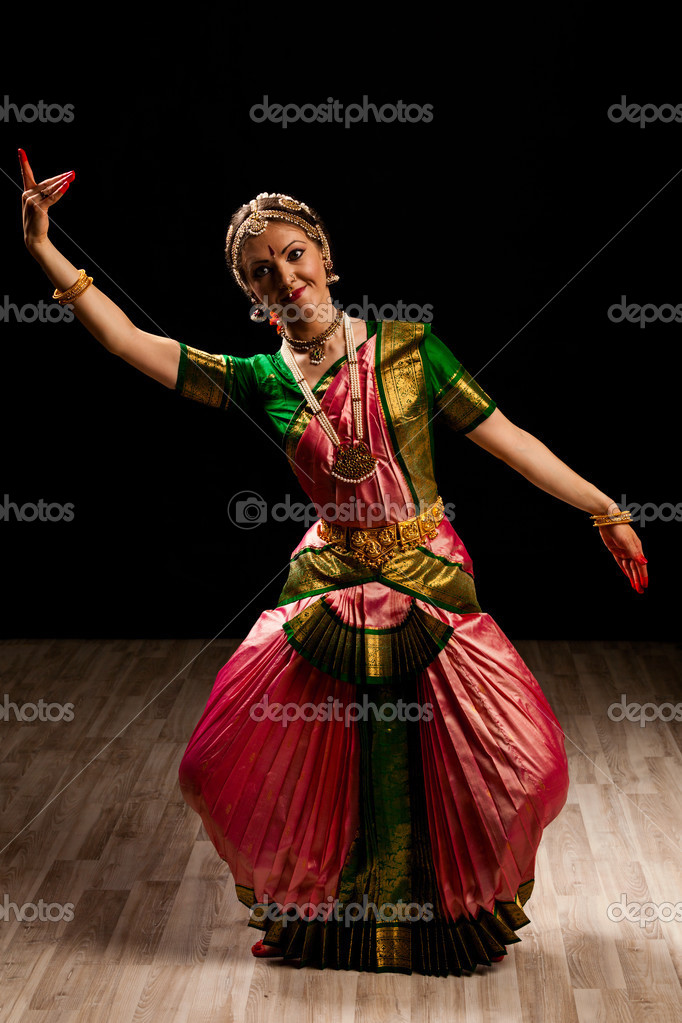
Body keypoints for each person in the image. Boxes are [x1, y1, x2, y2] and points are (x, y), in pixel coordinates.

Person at [19, 154, 648, 977]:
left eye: (293, 255)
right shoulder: (261, 380)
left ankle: (449, 915)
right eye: (261, 271)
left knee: (523, 766)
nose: (284, 277)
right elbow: (129, 341)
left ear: (325, 257)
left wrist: (605, 508)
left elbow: (510, 441)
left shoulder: (410, 351)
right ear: (252, 295)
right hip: (331, 583)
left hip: (425, 576)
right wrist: (43, 246)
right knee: (238, 765)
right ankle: (326, 922)